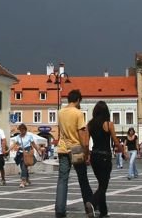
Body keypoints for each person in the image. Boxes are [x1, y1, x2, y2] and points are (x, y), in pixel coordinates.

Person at [54, 89, 95, 218]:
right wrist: (86, 151)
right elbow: (82, 134)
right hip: (76, 149)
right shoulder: (78, 113)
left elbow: (61, 130)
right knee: (83, 179)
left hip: (62, 148)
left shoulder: (60, 113)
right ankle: (89, 208)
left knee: (62, 180)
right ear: (78, 100)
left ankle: (60, 210)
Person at [87, 101, 124, 218]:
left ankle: (103, 211)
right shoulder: (109, 124)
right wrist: (123, 152)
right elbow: (116, 141)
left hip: (94, 156)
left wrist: (87, 155)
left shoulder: (90, 124)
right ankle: (92, 202)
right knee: (104, 185)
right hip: (105, 157)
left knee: (101, 184)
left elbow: (86, 142)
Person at [10, 123, 41, 188]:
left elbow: (34, 144)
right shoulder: (18, 137)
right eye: (20, 130)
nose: (21, 131)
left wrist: (38, 151)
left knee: (24, 166)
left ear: (25, 130)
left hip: (27, 153)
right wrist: (8, 150)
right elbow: (13, 144)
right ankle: (27, 179)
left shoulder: (29, 136)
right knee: (23, 168)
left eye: (23, 130)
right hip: (20, 154)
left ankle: (23, 181)